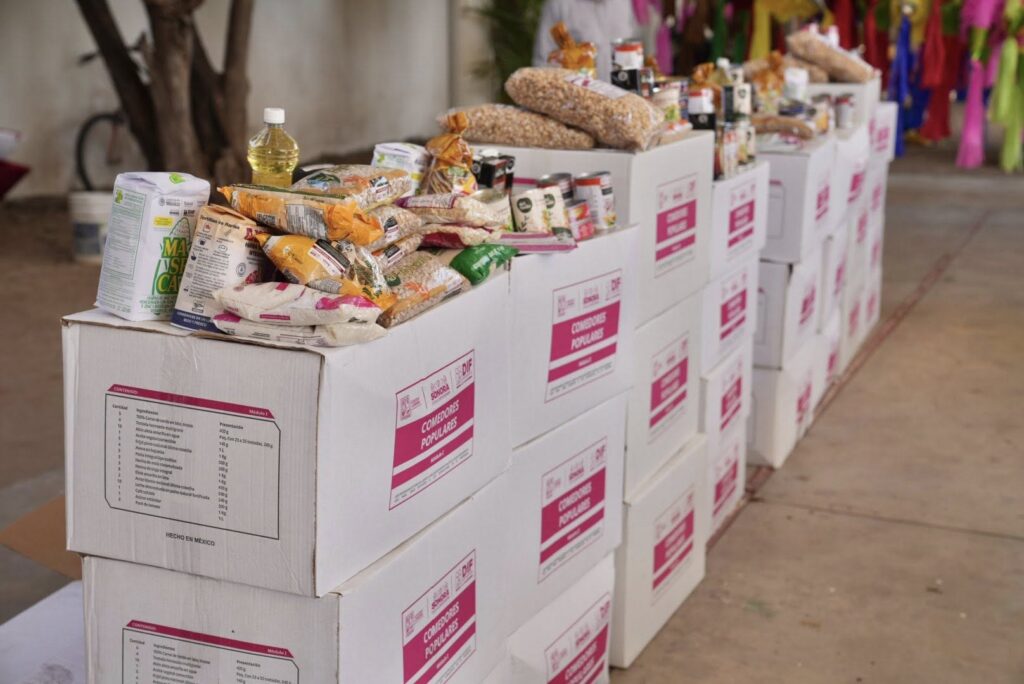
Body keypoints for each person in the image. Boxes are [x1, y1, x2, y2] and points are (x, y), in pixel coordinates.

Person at [532, 0, 639, 81]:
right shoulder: (558, 4)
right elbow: (542, 63)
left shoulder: (627, 3)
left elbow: (637, 52)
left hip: (624, 97)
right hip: (577, 99)